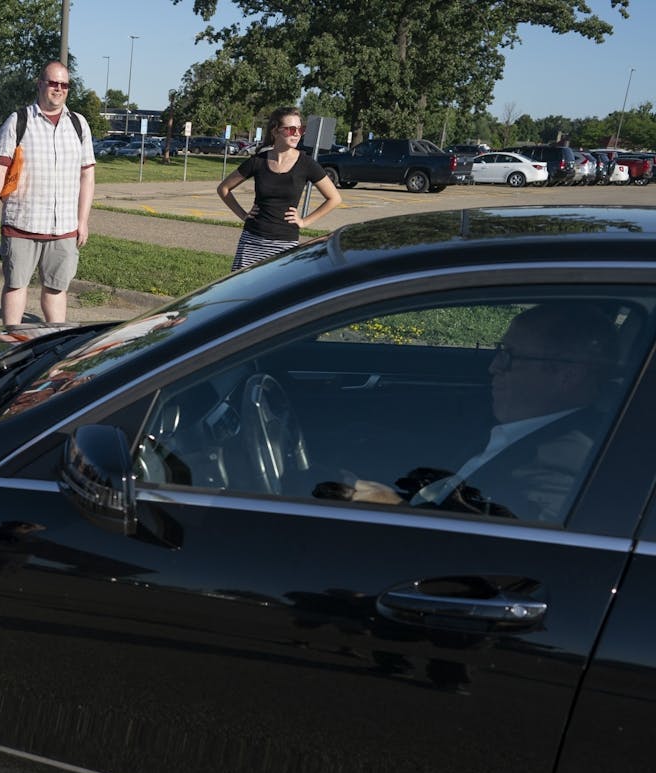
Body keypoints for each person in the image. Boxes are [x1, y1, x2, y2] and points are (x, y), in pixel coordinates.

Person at [319, 304, 618, 524]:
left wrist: (392, 505)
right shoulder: (518, 427)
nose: (494, 367)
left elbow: (508, 554)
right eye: (499, 350)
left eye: (509, 356)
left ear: (568, 375)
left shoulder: (564, 466)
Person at [0, 62, 95, 326]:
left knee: (57, 288)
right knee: (16, 285)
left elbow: (87, 176)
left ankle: (54, 341)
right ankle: (13, 341)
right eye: (53, 83)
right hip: (22, 223)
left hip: (64, 228)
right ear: (40, 84)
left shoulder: (79, 124)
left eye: (64, 85)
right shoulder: (19, 121)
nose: (58, 89)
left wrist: (82, 222)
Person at [216, 106, 341, 270]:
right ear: (275, 131)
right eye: (290, 129)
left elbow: (335, 198)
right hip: (252, 241)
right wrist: (243, 215)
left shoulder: (307, 164)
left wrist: (304, 221)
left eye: (300, 129)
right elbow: (223, 189)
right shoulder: (258, 161)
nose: (297, 133)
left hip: (285, 243)